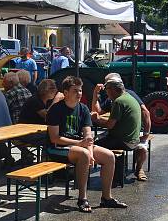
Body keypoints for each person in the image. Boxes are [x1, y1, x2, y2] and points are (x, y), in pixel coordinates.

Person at [46, 76, 127, 212]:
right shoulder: (55, 110)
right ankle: (82, 199)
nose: (79, 94)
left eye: (80, 90)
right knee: (83, 154)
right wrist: (80, 145)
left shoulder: (83, 109)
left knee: (109, 156)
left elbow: (88, 135)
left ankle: (106, 198)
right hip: (58, 148)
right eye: (75, 91)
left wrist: (90, 151)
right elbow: (54, 138)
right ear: (65, 93)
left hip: (79, 146)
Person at [91, 73, 152, 180]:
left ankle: (99, 174)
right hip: (132, 140)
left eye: (106, 88)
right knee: (98, 140)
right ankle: (116, 172)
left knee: (90, 145)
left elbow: (110, 125)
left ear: (113, 89)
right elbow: (100, 112)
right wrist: (95, 94)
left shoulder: (118, 101)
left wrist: (96, 120)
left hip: (124, 141)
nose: (106, 91)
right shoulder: (128, 97)